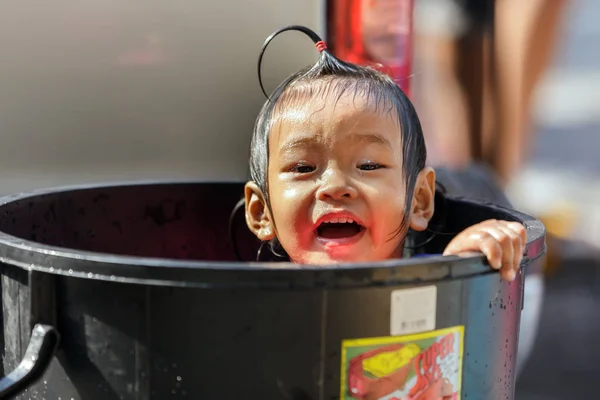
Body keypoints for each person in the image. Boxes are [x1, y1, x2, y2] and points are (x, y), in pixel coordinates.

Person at [243, 25, 526, 282]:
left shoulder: (432, 280)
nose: (335, 186)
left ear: (419, 200)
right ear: (261, 212)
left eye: (368, 165)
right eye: (303, 168)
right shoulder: (253, 298)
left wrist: (461, 265)